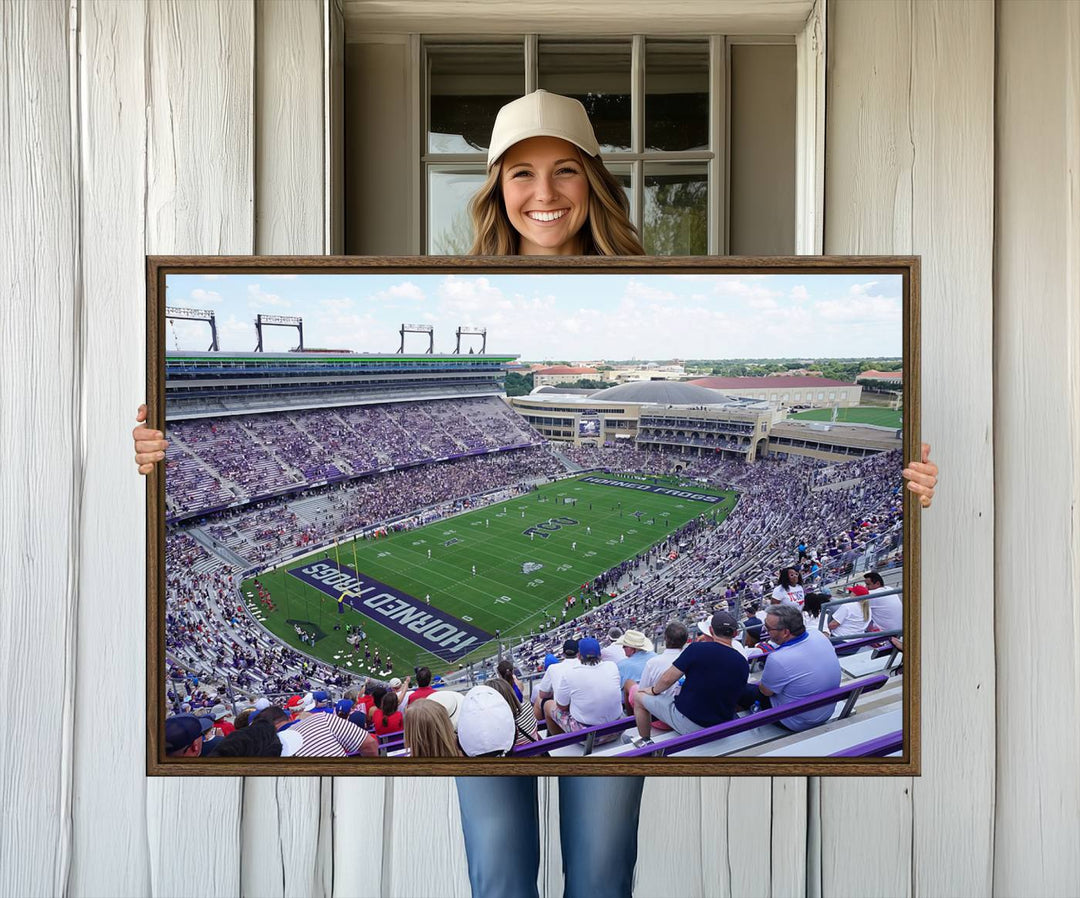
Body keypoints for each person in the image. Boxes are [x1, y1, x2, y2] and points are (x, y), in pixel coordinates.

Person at [132, 88, 939, 898]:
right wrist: (158, 442)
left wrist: (907, 480)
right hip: (517, 720)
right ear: (495, 188)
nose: (543, 193)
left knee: (598, 867)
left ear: (594, 181)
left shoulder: (661, 277)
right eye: (520, 173)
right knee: (500, 867)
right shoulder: (447, 277)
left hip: (524, 712)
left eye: (564, 172)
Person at [632, 611, 749, 744]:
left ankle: (645, 742)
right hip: (721, 724)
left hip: (690, 723)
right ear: (735, 633)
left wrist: (653, 691)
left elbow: (667, 679)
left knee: (638, 697)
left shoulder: (696, 649)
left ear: (711, 630)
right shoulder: (742, 662)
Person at [739, 603, 842, 731]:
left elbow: (765, 691)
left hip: (796, 721)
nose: (765, 631)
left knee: (741, 689)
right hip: (825, 711)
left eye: (768, 628)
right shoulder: (819, 635)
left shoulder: (778, 659)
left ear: (786, 632)